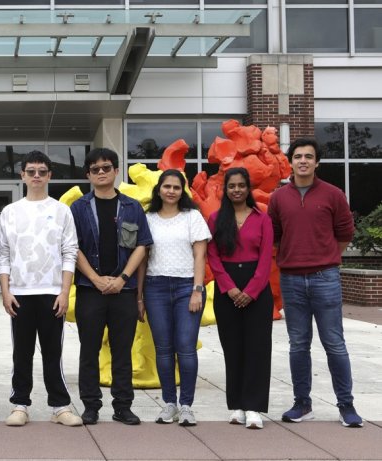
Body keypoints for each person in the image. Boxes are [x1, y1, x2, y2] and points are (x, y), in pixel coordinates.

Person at [268, 138, 363, 428]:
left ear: (317, 162)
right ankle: (302, 403)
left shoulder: (333, 195)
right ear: (291, 162)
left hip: (326, 279)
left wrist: (329, 255)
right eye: (298, 156)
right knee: (298, 345)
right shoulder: (278, 197)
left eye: (309, 156)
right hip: (291, 279)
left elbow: (345, 232)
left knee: (334, 343)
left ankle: (346, 405)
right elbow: (275, 235)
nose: (303, 161)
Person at [0, 150, 82, 427]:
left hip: (51, 292)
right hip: (20, 294)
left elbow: (70, 252)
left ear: (49, 175)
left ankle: (60, 406)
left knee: (52, 353)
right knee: (21, 353)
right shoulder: (10, 212)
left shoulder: (61, 211)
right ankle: (19, 404)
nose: (36, 176)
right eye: (31, 171)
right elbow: (3, 255)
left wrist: (64, 292)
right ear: (22, 175)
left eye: (41, 171)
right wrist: (6, 291)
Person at [70, 148, 152, 426]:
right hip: (89, 290)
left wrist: (123, 280)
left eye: (106, 167)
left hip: (124, 292)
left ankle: (123, 406)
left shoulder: (132, 207)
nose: (101, 172)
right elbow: (72, 247)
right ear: (88, 175)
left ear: (117, 171)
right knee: (89, 350)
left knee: (122, 351)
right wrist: (95, 279)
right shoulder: (79, 207)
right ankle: (91, 406)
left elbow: (142, 245)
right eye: (95, 169)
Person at [138, 169, 210, 426]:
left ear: (183, 191)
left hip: (185, 287)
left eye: (176, 187)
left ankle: (187, 405)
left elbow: (200, 256)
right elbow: (142, 260)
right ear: (159, 189)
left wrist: (197, 290)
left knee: (186, 348)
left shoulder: (193, 217)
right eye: (166, 186)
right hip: (155, 287)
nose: (171, 191)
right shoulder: (148, 219)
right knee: (164, 349)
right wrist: (139, 297)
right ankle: (169, 403)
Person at [207, 167, 274, 430]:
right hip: (227, 290)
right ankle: (236, 405)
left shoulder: (262, 218)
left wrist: (252, 291)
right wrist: (230, 288)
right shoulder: (215, 219)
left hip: (257, 289)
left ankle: (254, 407)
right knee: (232, 348)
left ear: (248, 188)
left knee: (257, 349)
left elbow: (267, 257)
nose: (236, 190)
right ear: (225, 189)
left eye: (241, 185)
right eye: (231, 186)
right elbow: (212, 256)